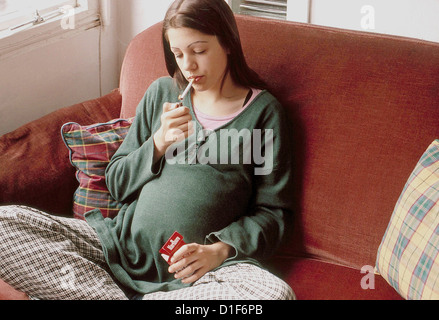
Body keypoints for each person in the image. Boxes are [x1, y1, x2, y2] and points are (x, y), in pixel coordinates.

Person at [0, 0, 295, 300]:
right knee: (3, 225)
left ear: (228, 43)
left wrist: (218, 252)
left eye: (199, 51)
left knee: (272, 295)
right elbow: (116, 184)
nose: (188, 66)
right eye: (178, 54)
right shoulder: (162, 94)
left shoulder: (263, 114)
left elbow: (273, 214)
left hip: (200, 276)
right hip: (116, 247)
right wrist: (158, 143)